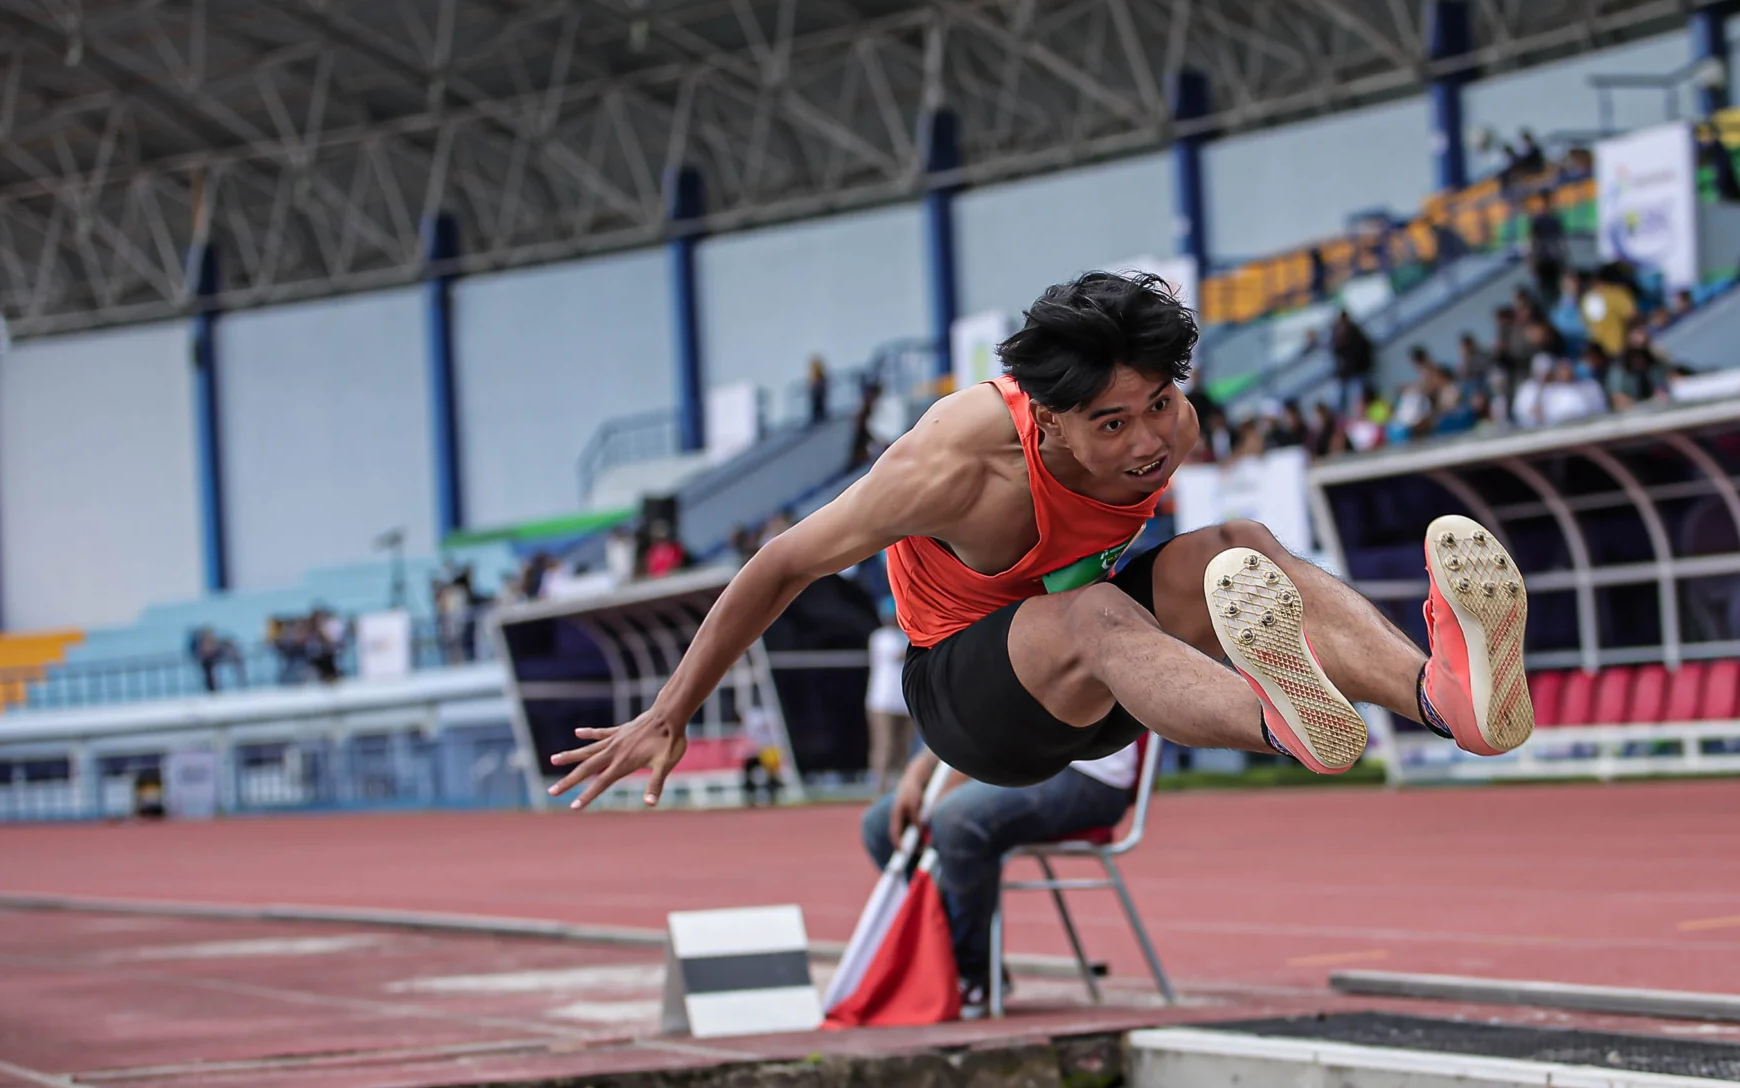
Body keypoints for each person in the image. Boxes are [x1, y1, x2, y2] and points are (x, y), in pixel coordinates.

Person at [546, 272, 1534, 812]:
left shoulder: (1174, 423)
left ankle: (1444, 699)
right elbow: (780, 564)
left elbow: (1117, 554)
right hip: (970, 702)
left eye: (1158, 405)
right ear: (1047, 422)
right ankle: (1281, 720)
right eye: (1113, 425)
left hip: (1101, 677)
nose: (1150, 443)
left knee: (1239, 544)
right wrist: (670, 712)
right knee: (1092, 609)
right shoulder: (950, 465)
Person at [860, 742, 1138, 1015]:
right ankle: (943, 958)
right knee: (880, 825)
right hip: (1004, 762)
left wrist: (959, 778)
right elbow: (959, 721)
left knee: (957, 817)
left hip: (1084, 771)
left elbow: (1016, 716)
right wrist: (917, 771)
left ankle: (972, 973)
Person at [864, 600, 913, 790]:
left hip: (905, 702)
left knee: (903, 749)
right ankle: (880, 787)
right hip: (882, 703)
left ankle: (900, 788)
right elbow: (900, 654)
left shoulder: (906, 636)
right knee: (885, 747)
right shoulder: (880, 637)